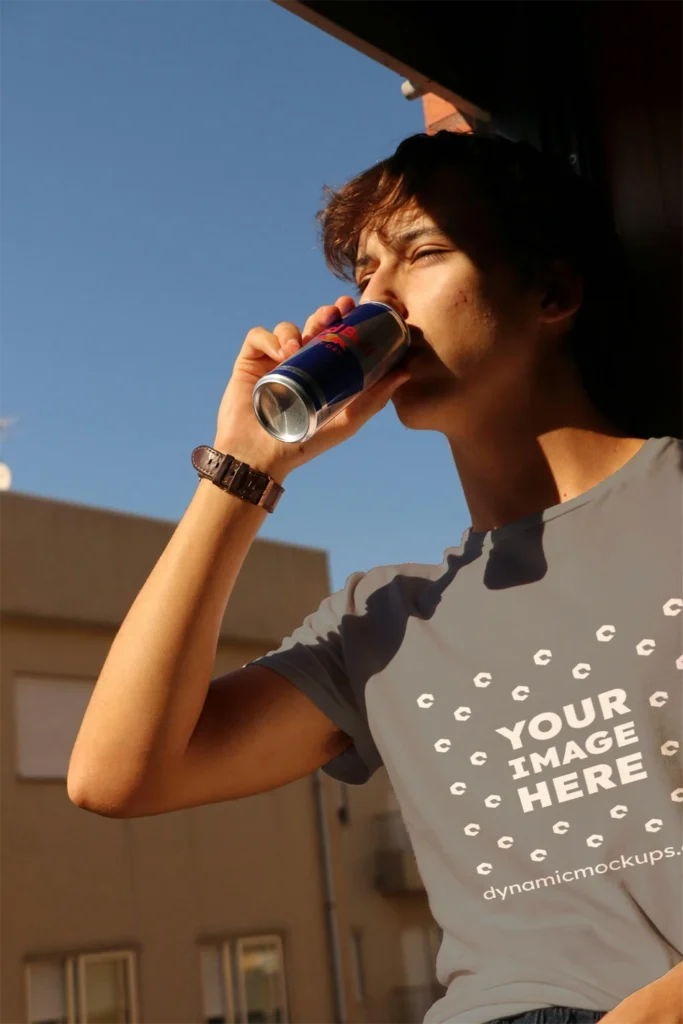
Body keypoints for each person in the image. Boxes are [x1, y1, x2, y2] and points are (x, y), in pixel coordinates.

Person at [67, 131, 683, 1024]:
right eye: (362, 273)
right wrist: (248, 468)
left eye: (422, 253)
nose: (375, 299)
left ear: (551, 292)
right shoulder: (383, 622)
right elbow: (116, 777)